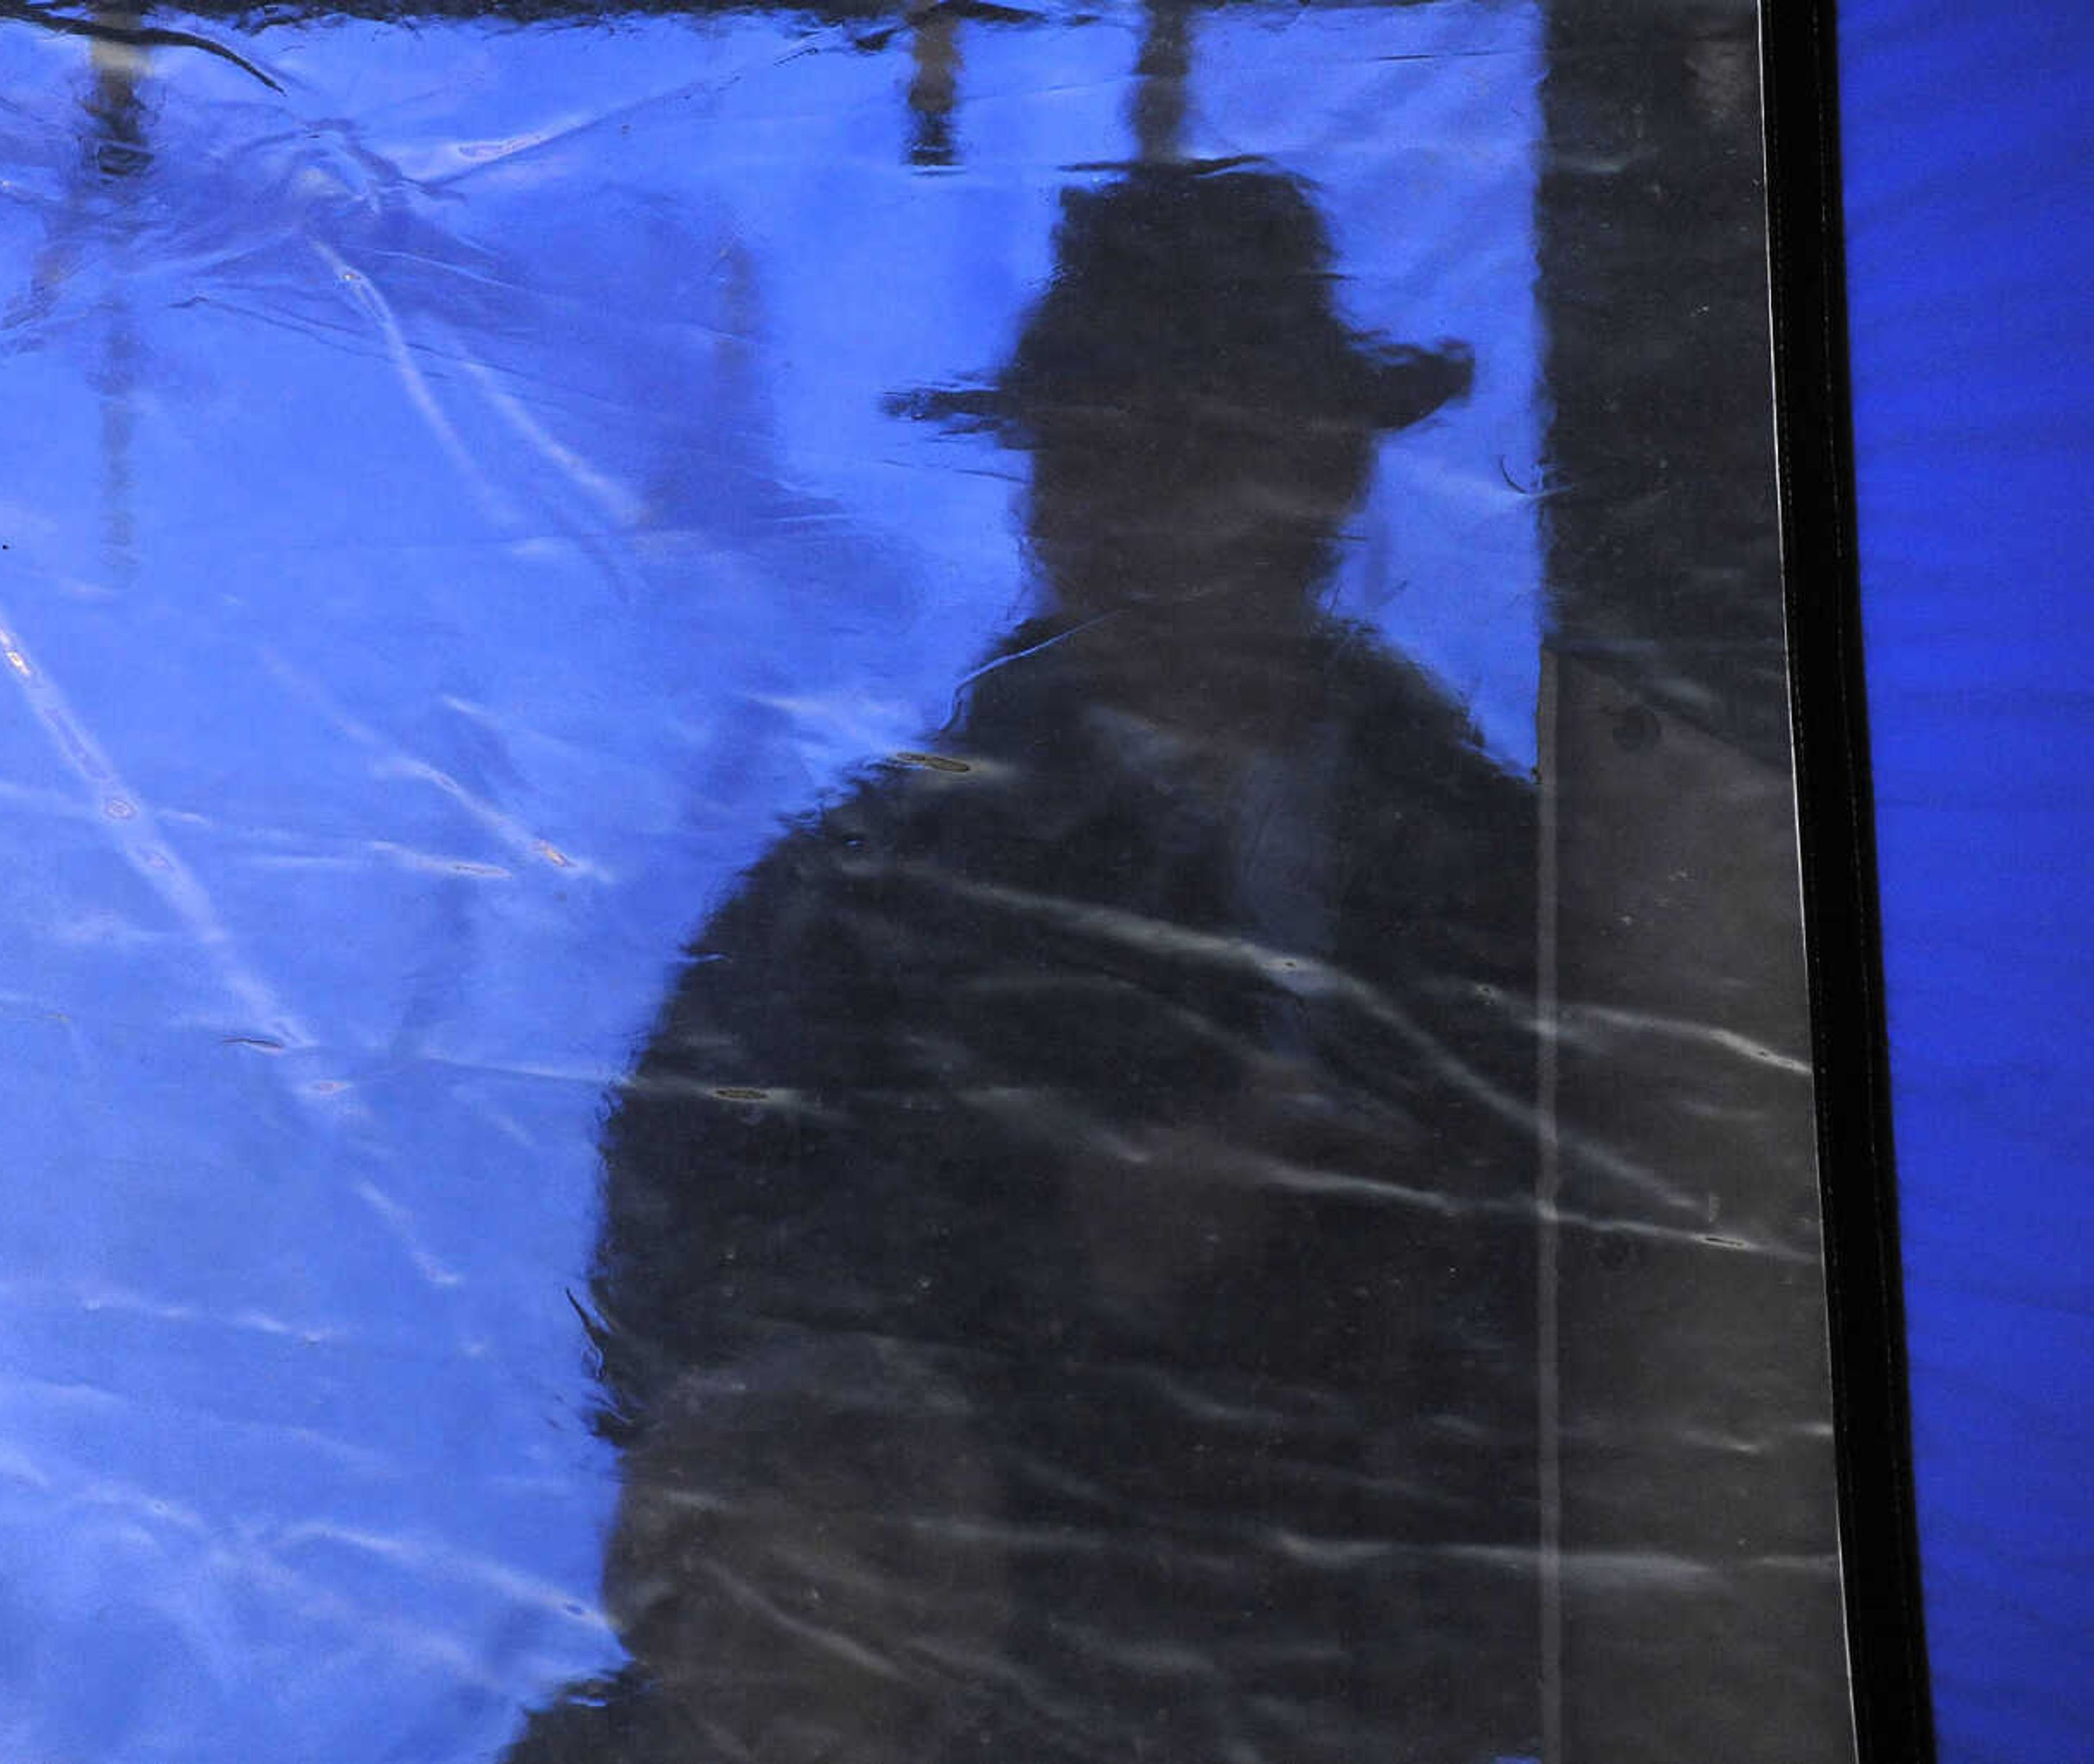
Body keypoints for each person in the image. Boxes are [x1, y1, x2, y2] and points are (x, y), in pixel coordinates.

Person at [512, 160, 1542, 1764]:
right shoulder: (861, 905)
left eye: (1193, 454)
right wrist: (1077, 1240)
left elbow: (1669, 1304)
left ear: (1328, 469)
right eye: (1080, 462)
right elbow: (681, 1309)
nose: (1123, 521)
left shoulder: (1521, 880)